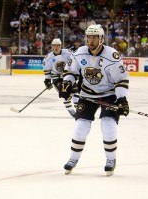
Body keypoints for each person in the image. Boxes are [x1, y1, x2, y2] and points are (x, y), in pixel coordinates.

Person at [57, 24, 129, 176]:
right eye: (89, 37)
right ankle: (73, 158)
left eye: (95, 37)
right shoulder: (80, 53)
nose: (91, 40)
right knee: (80, 128)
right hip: (87, 94)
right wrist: (67, 84)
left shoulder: (112, 56)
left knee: (108, 125)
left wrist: (122, 99)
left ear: (101, 38)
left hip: (109, 94)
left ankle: (111, 159)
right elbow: (71, 71)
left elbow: (121, 80)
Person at [42, 38, 77, 117]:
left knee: (75, 91)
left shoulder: (68, 53)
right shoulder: (48, 57)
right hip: (56, 78)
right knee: (65, 93)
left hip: (68, 76)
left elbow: (75, 59)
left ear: (61, 46)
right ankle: (70, 110)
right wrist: (47, 80)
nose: (56, 47)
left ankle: (78, 110)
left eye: (58, 45)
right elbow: (47, 70)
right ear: (52, 46)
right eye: (54, 45)